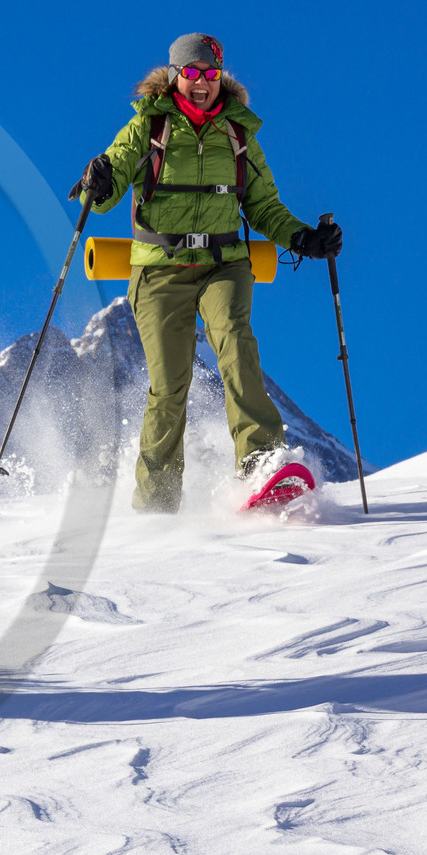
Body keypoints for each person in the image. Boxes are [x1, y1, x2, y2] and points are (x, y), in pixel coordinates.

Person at [71, 33, 343, 513]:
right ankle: (156, 505)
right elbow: (109, 185)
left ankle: (261, 465)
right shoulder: (148, 127)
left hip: (224, 265)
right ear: (175, 75)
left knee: (236, 342)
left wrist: (303, 238)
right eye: (192, 74)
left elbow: (264, 208)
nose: (202, 83)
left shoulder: (239, 135)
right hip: (159, 270)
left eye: (211, 74)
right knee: (169, 386)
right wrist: (101, 178)